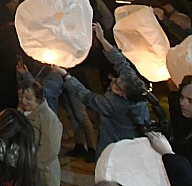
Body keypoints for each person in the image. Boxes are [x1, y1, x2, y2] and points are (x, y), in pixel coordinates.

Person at [56, 22, 149, 154]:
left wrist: (65, 75)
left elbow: (86, 96)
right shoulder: (132, 83)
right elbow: (120, 61)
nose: (113, 83)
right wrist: (102, 39)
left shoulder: (113, 105)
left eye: (116, 86)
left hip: (116, 146)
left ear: (123, 95)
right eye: (117, 79)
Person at [20, 83, 61, 186]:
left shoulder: (48, 117)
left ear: (38, 99)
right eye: (21, 97)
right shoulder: (20, 112)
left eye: (28, 98)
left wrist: (34, 166)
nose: (23, 101)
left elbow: (50, 148)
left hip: (43, 172)